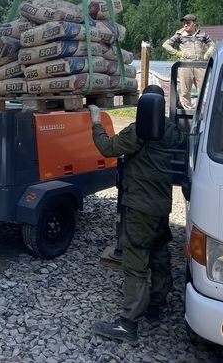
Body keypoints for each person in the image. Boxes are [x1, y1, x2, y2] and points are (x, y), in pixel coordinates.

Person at [88, 85, 185, 344]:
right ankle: (157, 304)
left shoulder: (137, 133)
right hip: (161, 207)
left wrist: (96, 122)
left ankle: (128, 324)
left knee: (135, 263)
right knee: (159, 254)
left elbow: (107, 148)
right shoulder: (173, 131)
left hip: (139, 209)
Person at [162, 14, 215, 110]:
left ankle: (205, 111)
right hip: (185, 64)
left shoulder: (202, 34)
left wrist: (207, 55)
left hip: (199, 64)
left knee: (204, 89)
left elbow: (212, 44)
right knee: (185, 91)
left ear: (194, 24)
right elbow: (166, 45)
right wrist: (177, 53)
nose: (185, 25)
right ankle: (187, 112)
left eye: (188, 23)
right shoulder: (180, 34)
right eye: (184, 23)